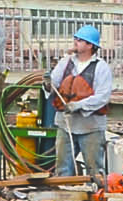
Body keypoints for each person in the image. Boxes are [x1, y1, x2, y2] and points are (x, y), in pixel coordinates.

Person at [47, 25, 113, 181]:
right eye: (75, 38)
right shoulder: (66, 62)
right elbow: (54, 83)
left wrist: (79, 105)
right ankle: (65, 195)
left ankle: (97, 194)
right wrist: (47, 84)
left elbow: (103, 96)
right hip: (66, 124)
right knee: (63, 167)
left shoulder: (101, 67)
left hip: (91, 126)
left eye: (80, 40)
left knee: (94, 168)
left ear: (90, 45)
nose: (75, 42)